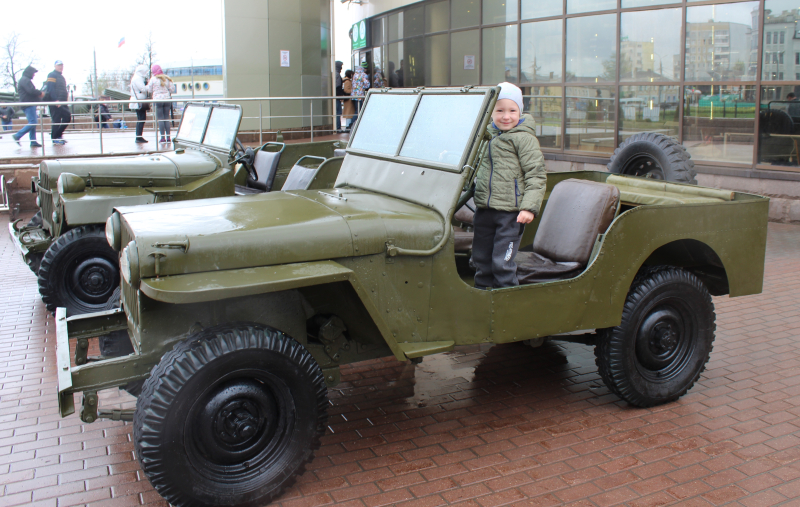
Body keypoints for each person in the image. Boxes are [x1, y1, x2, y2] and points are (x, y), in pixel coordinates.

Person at [472, 82, 547, 290]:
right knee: (480, 259)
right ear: (491, 112)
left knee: (502, 263)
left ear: (520, 111)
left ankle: (506, 301)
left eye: (512, 110)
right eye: (500, 111)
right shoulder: (486, 136)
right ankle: (481, 297)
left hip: (511, 214)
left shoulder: (524, 139)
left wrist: (528, 208)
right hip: (485, 209)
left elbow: (536, 174)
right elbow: (473, 163)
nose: (506, 116)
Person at [12, 65, 43, 148]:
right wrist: (40, 93)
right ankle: (18, 135)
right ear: (30, 72)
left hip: (29, 104)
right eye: (33, 73)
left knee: (32, 123)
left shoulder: (24, 80)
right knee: (33, 122)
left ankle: (33, 141)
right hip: (28, 104)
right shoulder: (25, 80)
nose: (34, 75)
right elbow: (31, 91)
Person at [146, 64, 176, 144]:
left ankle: (162, 138)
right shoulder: (167, 78)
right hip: (167, 99)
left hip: (158, 100)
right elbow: (172, 89)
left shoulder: (153, 79)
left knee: (161, 118)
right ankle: (168, 137)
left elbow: (149, 90)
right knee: (166, 118)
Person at [46, 60, 71, 145]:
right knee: (56, 119)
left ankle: (58, 135)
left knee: (67, 117)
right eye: (59, 65)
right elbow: (50, 88)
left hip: (62, 102)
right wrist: (55, 100)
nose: (61, 67)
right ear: (55, 66)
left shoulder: (61, 77)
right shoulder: (52, 75)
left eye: (61, 65)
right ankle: (54, 138)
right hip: (55, 102)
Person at [130, 64, 149, 143]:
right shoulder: (138, 78)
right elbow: (143, 89)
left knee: (141, 118)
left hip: (138, 101)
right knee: (141, 118)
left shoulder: (137, 77)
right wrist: (148, 86)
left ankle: (139, 136)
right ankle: (138, 136)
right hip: (139, 101)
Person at [350, 63, 370, 127]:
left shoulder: (355, 74)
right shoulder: (363, 75)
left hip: (353, 95)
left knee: (357, 109)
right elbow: (367, 84)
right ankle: (352, 124)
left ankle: (353, 124)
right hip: (359, 95)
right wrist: (363, 87)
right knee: (359, 110)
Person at [334, 61, 344, 133]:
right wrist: (341, 95)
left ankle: (337, 127)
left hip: (335, 96)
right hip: (337, 97)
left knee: (337, 112)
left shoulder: (334, 74)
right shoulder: (337, 75)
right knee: (338, 112)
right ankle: (338, 128)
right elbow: (337, 87)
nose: (341, 68)